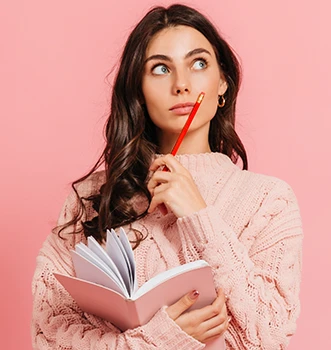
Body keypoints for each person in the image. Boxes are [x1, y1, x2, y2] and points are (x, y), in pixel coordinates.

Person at [31, 4, 303, 349]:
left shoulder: (270, 200)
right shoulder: (92, 196)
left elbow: (269, 335)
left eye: (199, 63)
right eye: (160, 68)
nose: (181, 85)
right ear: (139, 92)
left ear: (223, 83)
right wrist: (163, 339)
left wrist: (198, 217)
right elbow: (48, 337)